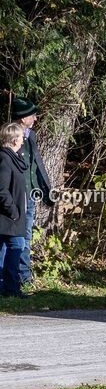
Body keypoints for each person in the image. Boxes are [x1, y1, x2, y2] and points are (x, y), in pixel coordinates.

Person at [0, 97, 52, 288]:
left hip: (29, 193)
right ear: (23, 118)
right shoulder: (10, 139)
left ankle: (23, 276)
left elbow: (36, 164)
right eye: (33, 115)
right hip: (13, 196)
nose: (36, 118)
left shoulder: (31, 136)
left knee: (25, 236)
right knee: (11, 240)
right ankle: (8, 279)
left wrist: (45, 189)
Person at [0, 122, 29, 298]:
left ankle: (6, 288)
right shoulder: (4, 159)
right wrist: (13, 211)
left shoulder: (14, 158)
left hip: (12, 216)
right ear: (14, 139)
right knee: (17, 246)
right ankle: (11, 288)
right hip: (9, 216)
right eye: (21, 138)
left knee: (6, 249)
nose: (23, 141)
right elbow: (1, 190)